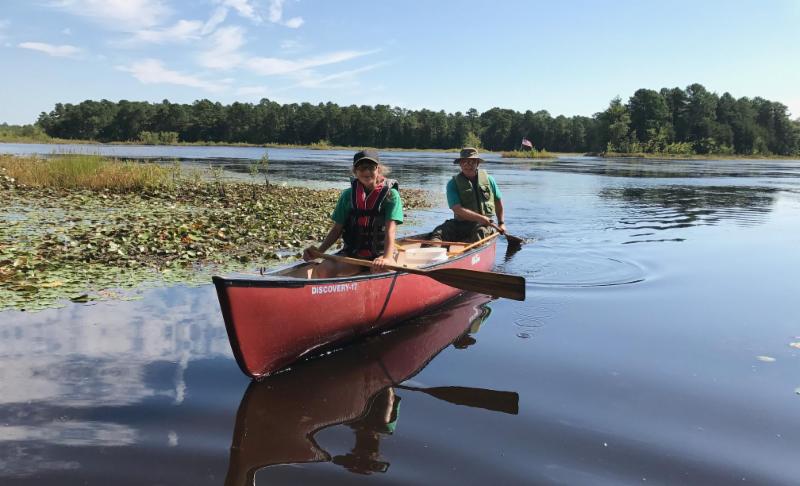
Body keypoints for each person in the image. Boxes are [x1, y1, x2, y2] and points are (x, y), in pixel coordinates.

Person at [302, 149, 403, 277]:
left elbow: (390, 230)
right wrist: (319, 251)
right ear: (355, 172)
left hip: (381, 254)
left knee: (380, 270)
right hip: (353, 255)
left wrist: (387, 258)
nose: (367, 172)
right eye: (361, 168)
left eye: (371, 167)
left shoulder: (391, 195)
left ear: (378, 169)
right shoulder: (347, 195)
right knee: (324, 269)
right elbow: (337, 229)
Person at [428, 147, 506, 243]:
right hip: (461, 224)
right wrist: (481, 218)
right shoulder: (452, 184)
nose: (468, 165)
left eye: (471, 162)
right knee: (438, 232)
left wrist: (501, 223)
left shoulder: (490, 180)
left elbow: (498, 202)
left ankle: (470, 252)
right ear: (460, 164)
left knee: (480, 232)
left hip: (485, 225)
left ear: (477, 163)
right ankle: (434, 253)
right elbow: (457, 209)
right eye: (464, 162)